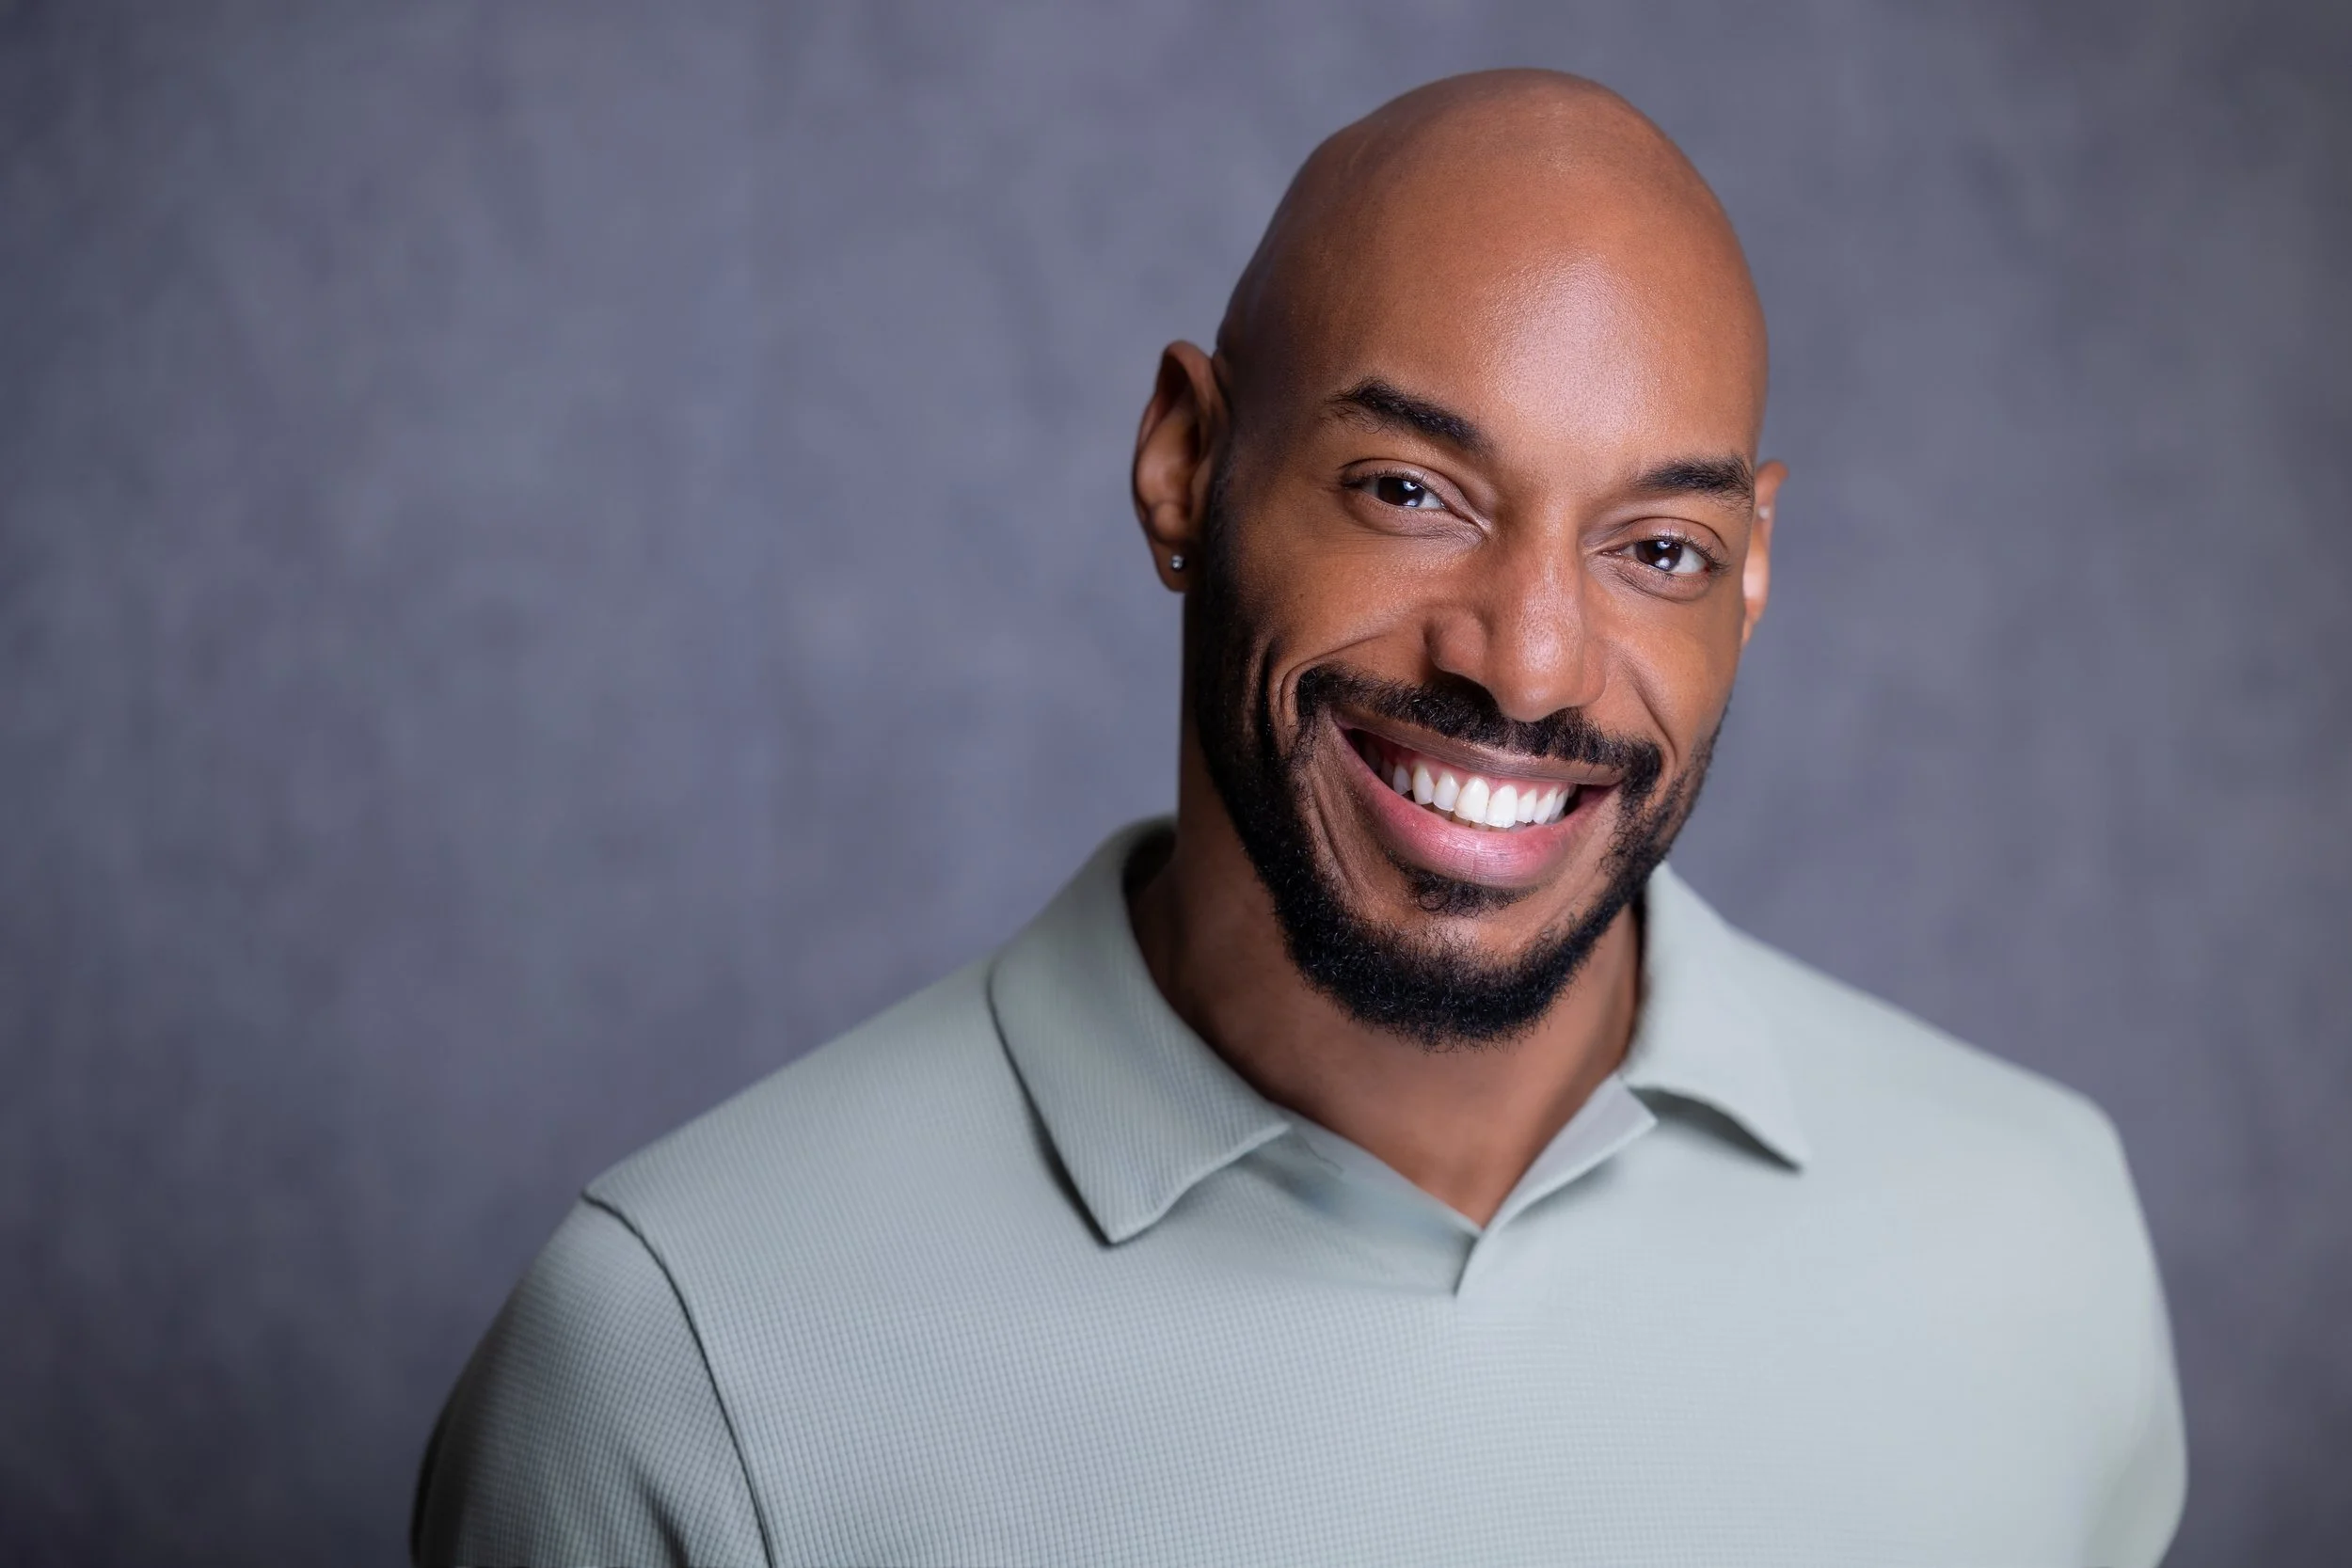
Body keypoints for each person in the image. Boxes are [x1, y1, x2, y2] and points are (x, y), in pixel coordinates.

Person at [412, 70, 2185, 1567]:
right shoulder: (677, 1358)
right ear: (1188, 460)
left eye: (1658, 547)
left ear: (1756, 568)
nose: (1532, 665)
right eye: (1412, 489)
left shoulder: (2036, 1236)